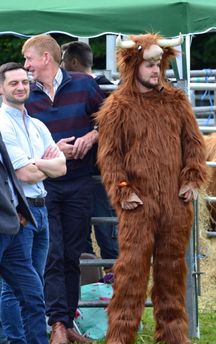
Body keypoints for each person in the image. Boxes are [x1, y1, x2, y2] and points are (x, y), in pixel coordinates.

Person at [96, 33, 208, 344]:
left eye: (158, 65)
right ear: (134, 66)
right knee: (131, 267)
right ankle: (119, 334)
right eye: (148, 65)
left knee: (172, 266)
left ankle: (173, 331)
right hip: (138, 203)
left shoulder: (177, 103)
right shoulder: (117, 106)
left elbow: (194, 146)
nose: (155, 71)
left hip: (175, 201)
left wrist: (192, 178)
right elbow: (109, 156)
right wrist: (122, 190)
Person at [22, 34, 105, 344]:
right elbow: (18, 137)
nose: (27, 65)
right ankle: (56, 322)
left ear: (46, 57)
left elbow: (109, 120)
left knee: (73, 254)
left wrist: (92, 136)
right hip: (44, 185)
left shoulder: (84, 87)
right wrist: (52, 149)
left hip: (80, 182)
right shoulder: (26, 96)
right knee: (53, 253)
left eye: (29, 59)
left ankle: (67, 321)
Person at [0, 62, 66, 344]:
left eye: (24, 82)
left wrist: (35, 163)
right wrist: (43, 165)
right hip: (17, 213)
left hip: (40, 208)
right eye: (13, 83)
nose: (20, 87)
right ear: (1, 88)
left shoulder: (37, 125)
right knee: (16, 286)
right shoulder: (3, 123)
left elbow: (61, 167)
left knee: (33, 284)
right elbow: (23, 173)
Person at [0, 132, 79, 344]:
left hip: (11, 226)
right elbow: (23, 173)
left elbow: (10, 177)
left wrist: (18, 210)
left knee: (33, 295)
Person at [61, 41, 118, 268]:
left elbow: (115, 125)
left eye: (63, 60)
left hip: (100, 172)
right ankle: (90, 285)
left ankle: (114, 283)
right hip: (82, 173)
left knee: (106, 231)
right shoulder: (105, 88)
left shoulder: (105, 89)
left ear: (73, 62)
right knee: (82, 231)